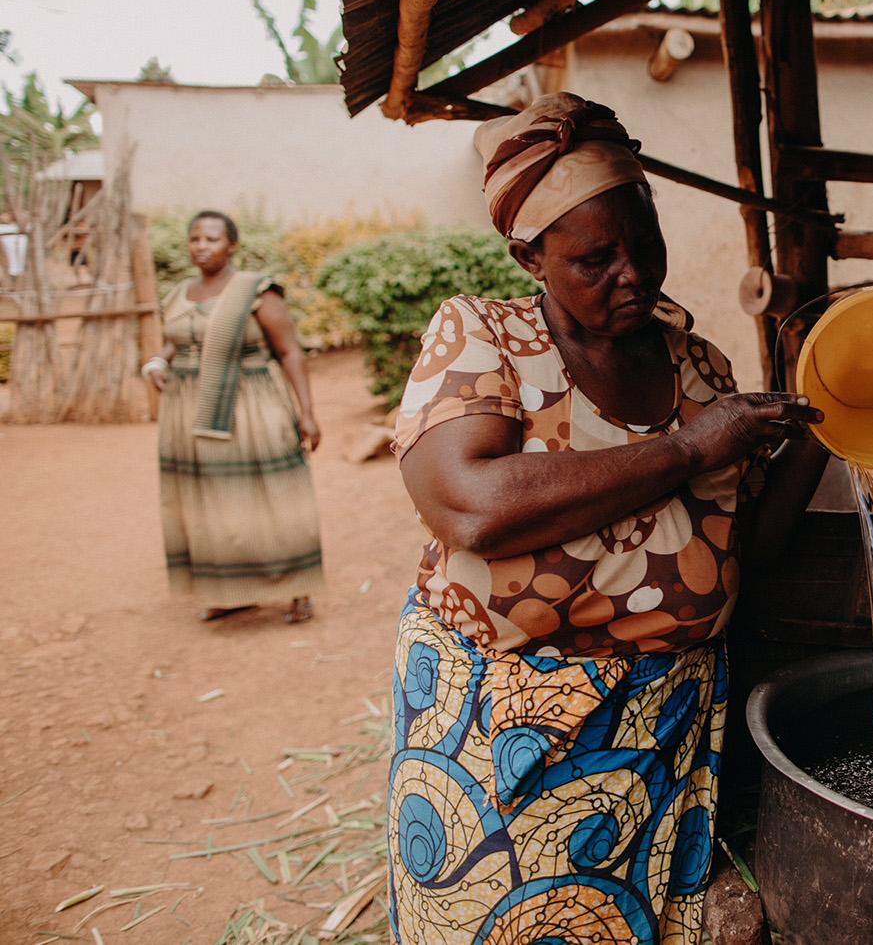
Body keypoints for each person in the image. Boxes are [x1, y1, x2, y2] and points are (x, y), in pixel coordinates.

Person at [387, 93, 829, 944]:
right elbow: (467, 505)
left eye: (644, 241)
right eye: (596, 258)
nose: (633, 272)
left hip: (659, 731)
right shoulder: (484, 338)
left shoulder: (700, 366)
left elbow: (743, 551)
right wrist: (690, 449)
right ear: (530, 258)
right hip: (501, 734)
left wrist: (825, 418)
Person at [142, 210, 323, 623]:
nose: (201, 246)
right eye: (194, 239)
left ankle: (297, 590)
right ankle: (232, 590)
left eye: (210, 239)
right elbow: (175, 341)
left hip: (253, 406)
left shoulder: (256, 292)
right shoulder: (178, 294)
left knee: (272, 492)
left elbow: (290, 351)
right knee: (212, 501)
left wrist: (307, 413)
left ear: (232, 245)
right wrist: (156, 362)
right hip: (189, 409)